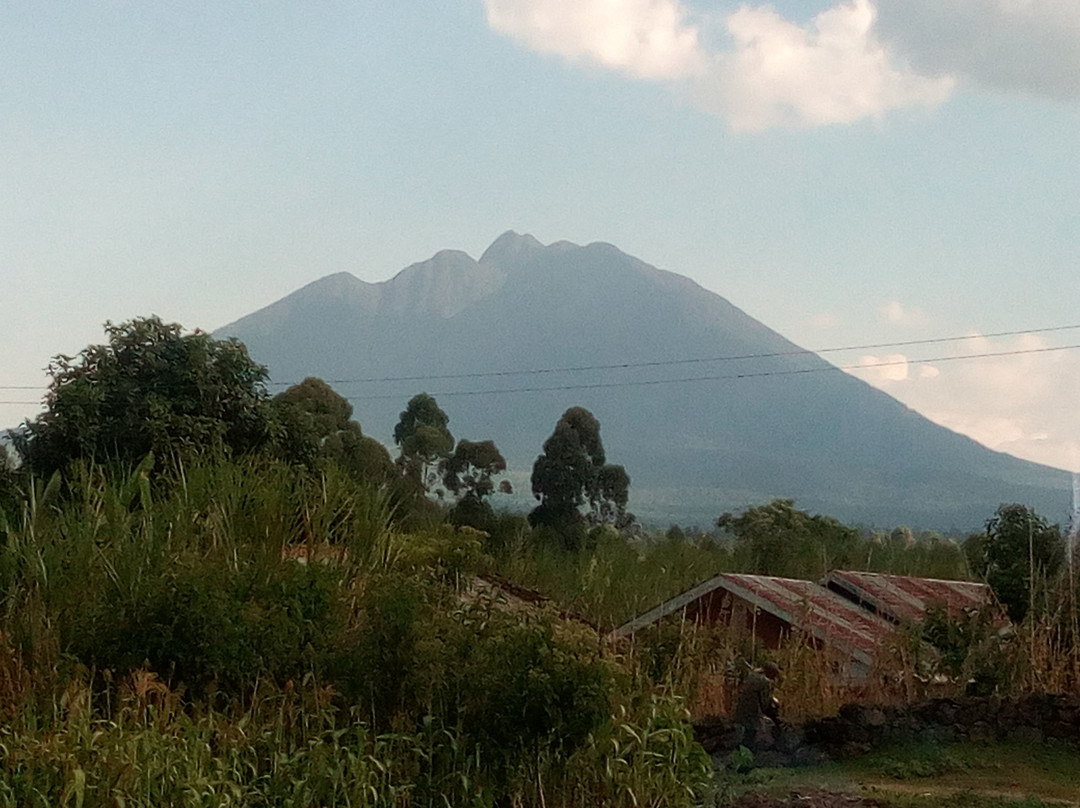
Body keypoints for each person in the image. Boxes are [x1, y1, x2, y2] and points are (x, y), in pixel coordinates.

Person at [732, 661, 780, 750]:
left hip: (741, 710)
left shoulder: (751, 676)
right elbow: (765, 704)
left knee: (746, 734)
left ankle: (742, 753)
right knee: (751, 735)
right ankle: (747, 755)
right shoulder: (764, 681)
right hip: (752, 712)